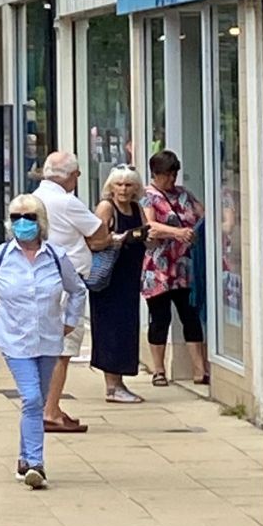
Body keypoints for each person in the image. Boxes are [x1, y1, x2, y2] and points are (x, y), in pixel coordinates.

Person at [0, 195, 86, 490]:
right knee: (30, 398)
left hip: (48, 339)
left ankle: (23, 457)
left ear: (40, 221)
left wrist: (70, 320)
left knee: (37, 401)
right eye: (16, 217)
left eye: (28, 217)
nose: (22, 223)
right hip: (14, 339)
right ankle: (35, 463)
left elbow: (77, 290)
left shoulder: (57, 256)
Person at [32, 152, 110, 433]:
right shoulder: (67, 202)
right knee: (62, 350)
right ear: (68, 176)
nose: (77, 180)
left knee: (45, 348)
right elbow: (100, 234)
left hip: (40, 280)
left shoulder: (34, 198)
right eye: (76, 175)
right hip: (67, 283)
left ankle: (47, 406)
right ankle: (50, 411)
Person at [141, 150, 209, 386]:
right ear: (155, 174)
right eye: (167, 175)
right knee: (160, 318)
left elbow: (204, 215)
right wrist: (177, 233)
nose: (171, 179)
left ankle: (200, 369)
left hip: (183, 267)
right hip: (158, 268)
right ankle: (158, 369)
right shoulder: (147, 196)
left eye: (174, 174)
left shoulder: (184, 195)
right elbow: (149, 227)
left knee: (190, 316)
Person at [90, 165, 150, 403]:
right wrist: (116, 239)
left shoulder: (137, 208)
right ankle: (112, 386)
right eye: (119, 184)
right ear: (111, 186)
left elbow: (146, 232)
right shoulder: (106, 207)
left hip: (129, 278)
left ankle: (119, 381)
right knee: (110, 329)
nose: (123, 190)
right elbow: (94, 240)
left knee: (126, 328)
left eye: (128, 185)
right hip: (109, 279)